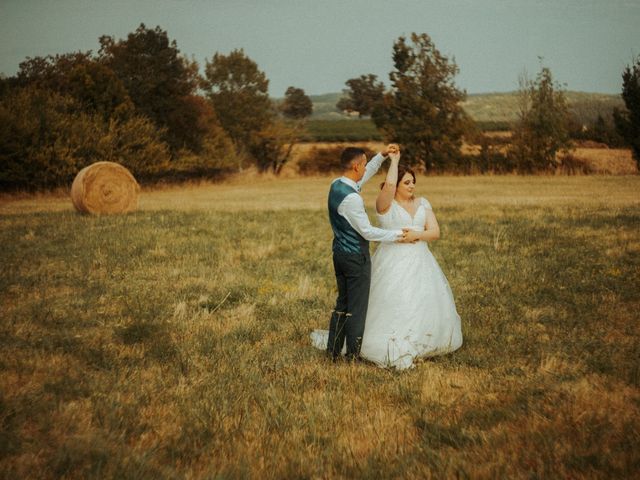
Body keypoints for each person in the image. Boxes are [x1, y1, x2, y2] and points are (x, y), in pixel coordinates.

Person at [358, 151, 463, 369]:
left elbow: (434, 232)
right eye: (406, 182)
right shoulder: (385, 205)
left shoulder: (423, 203)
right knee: (395, 297)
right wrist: (394, 161)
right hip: (392, 260)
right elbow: (387, 187)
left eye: (413, 182)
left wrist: (417, 235)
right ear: (395, 184)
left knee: (422, 297)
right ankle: (394, 340)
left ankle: (426, 339)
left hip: (420, 259)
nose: (412, 186)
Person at [316, 144, 410, 361]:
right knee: (357, 308)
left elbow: (365, 175)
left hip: (339, 254)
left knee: (343, 304)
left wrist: (382, 155)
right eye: (364, 165)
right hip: (355, 257)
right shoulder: (353, 199)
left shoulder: (337, 185)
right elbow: (367, 232)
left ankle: (332, 352)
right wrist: (399, 235)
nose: (366, 169)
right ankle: (352, 356)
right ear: (356, 166)